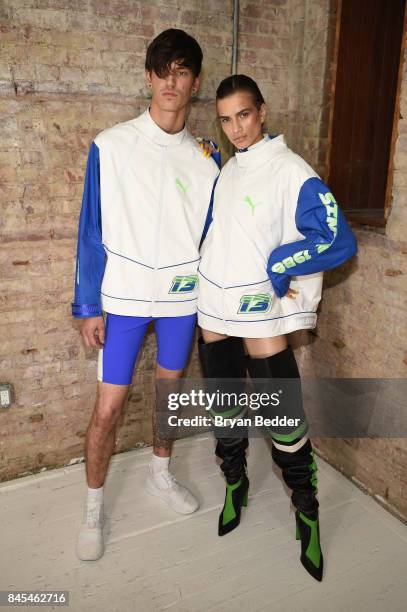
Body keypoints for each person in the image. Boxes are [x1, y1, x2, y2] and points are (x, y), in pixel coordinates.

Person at [197, 74, 357, 581]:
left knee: (284, 417)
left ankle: (306, 513)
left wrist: (283, 261)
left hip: (258, 311)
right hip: (212, 309)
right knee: (225, 408)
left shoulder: (291, 170)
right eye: (225, 119)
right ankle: (234, 483)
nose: (235, 128)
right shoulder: (226, 171)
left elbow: (336, 237)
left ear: (261, 111)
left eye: (243, 115)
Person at [71, 28, 220, 561]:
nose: (170, 82)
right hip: (126, 298)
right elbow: (90, 230)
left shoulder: (208, 156)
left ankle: (160, 473)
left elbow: (214, 233)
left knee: (168, 399)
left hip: (183, 299)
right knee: (108, 411)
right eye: (162, 71)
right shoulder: (110, 145)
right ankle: (93, 509)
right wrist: (88, 305)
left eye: (181, 72)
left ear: (195, 83)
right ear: (148, 77)